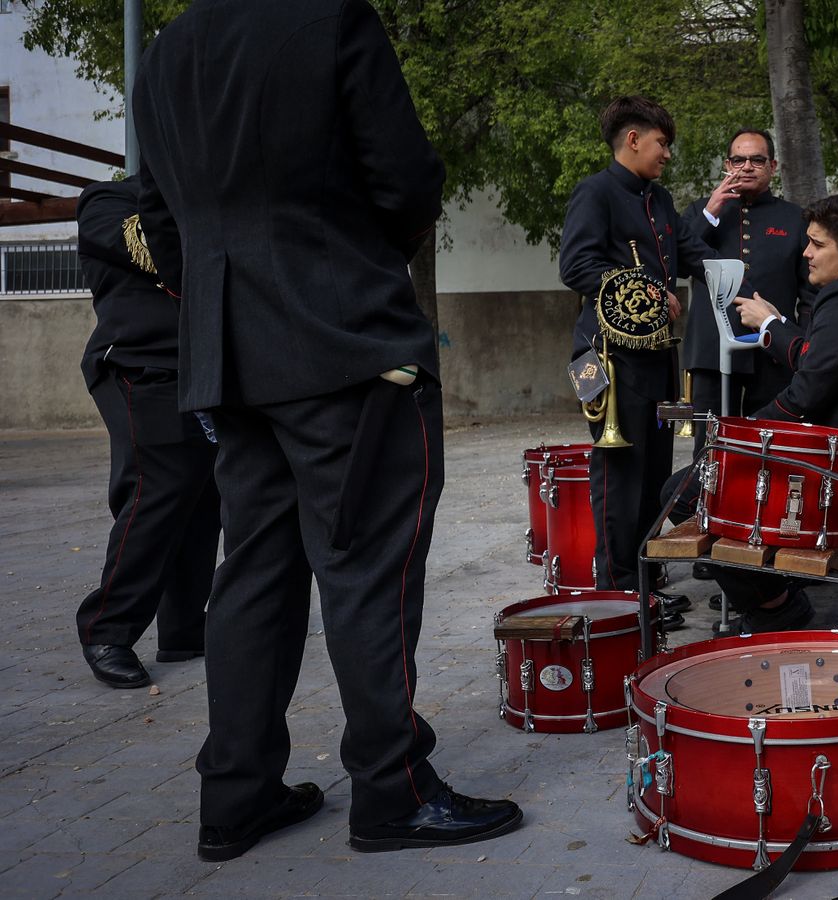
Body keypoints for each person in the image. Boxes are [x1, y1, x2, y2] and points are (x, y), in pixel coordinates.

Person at [131, 0, 521, 859]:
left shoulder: (164, 52)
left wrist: (231, 294)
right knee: (368, 569)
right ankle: (392, 791)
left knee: (254, 573)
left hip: (230, 354)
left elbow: (158, 219)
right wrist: (343, 266)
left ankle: (236, 796)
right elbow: (406, 177)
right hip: (341, 337)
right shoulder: (330, 16)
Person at [688, 195, 838, 632]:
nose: (806, 253)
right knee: (701, 482)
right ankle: (775, 598)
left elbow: (806, 393)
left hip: (836, 471)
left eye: (817, 244)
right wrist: (775, 325)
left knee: (686, 492)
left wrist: (740, 432)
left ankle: (777, 607)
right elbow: (819, 360)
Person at [559, 96, 712, 606]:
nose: (667, 153)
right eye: (662, 143)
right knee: (619, 478)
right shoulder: (595, 192)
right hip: (606, 358)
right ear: (633, 139)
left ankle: (646, 582)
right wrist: (648, 290)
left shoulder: (660, 199)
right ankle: (618, 591)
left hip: (655, 358)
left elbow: (693, 253)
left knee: (652, 476)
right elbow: (575, 266)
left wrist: (742, 275)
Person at [74, 177, 219, 689]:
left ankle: (183, 629)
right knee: (157, 484)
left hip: (199, 370)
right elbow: (154, 248)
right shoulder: (107, 201)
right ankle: (107, 630)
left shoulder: (201, 196)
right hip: (139, 362)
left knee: (203, 495)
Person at [679, 128, 810, 441]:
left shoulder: (795, 218)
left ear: (773, 166)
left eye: (757, 160)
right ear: (727, 165)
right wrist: (710, 213)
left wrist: (802, 342)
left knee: (768, 442)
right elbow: (679, 265)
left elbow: (810, 290)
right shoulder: (700, 211)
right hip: (712, 351)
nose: (747, 167)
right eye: (738, 160)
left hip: (773, 349)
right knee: (709, 444)